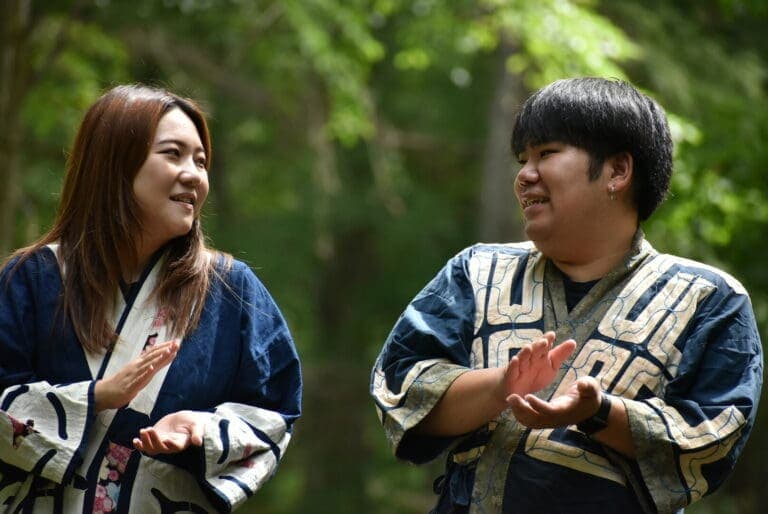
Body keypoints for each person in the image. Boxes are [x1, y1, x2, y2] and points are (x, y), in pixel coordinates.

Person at [370, 77, 762, 513]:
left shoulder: (709, 300)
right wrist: (501, 387)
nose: (524, 175)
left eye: (546, 153)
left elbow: (711, 437)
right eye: (523, 159)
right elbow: (401, 385)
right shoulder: (476, 270)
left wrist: (598, 412)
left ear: (617, 171)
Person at [0, 84, 302, 513]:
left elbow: (276, 413)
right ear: (114, 163)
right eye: (173, 154)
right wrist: (96, 397)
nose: (194, 174)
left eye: (201, 161)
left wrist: (201, 428)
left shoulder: (231, 290)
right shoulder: (31, 279)